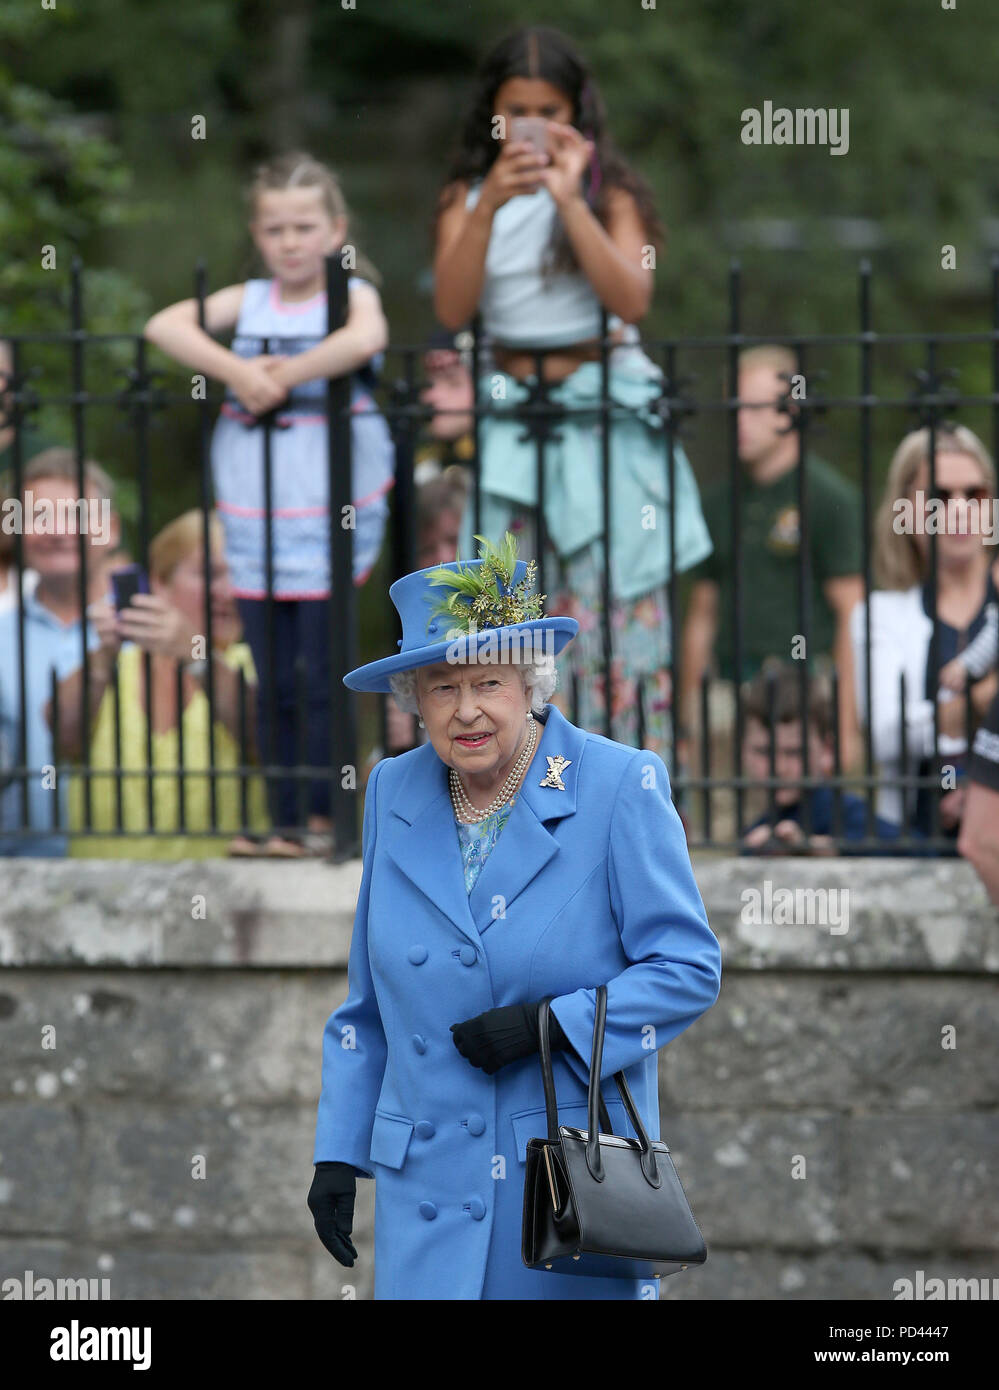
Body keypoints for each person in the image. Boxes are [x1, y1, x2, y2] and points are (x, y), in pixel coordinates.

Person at [306, 532, 721, 1301]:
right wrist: (338, 1151)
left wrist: (550, 1024)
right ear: (413, 701)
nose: (466, 711)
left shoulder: (616, 785)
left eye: (487, 682)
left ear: (530, 682)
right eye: (439, 687)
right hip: (424, 1191)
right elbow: (368, 1003)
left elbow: (688, 971)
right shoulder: (394, 791)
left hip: (558, 1195)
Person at [432, 25, 712, 759]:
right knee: (505, 620)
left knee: (609, 614)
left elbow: (630, 297)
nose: (532, 126)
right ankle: (519, 780)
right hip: (515, 427)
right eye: (515, 111)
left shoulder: (608, 193)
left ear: (578, 113)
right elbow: (452, 308)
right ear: (491, 116)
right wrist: (489, 202)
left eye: (549, 110)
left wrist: (568, 200)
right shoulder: (465, 196)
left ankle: (618, 777)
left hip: (597, 422)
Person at [143, 151, 395, 856]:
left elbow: (365, 339)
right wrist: (237, 373)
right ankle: (285, 816)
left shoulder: (350, 296)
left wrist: (282, 375)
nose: (290, 242)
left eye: (304, 226)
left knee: (319, 673)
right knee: (272, 672)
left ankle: (325, 815)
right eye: (276, 228)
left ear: (334, 229)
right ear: (257, 234)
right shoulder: (246, 300)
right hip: (258, 509)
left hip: (325, 505)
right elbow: (164, 326)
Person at [681, 345, 864, 771]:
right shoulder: (716, 502)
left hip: (806, 694)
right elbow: (702, 616)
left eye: (754, 408)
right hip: (728, 696)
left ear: (791, 410)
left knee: (805, 826)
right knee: (720, 827)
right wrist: (688, 724)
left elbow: (851, 615)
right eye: (735, 408)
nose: (740, 421)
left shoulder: (829, 497)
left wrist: (845, 726)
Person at [57, 510, 270, 859]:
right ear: (158, 582)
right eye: (209, 574)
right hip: (98, 897)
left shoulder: (257, 668)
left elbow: (266, 737)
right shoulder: (110, 666)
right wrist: (100, 659)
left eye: (242, 575)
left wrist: (198, 659)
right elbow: (63, 739)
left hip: (226, 898)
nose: (228, 591)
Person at [850, 424, 998, 840]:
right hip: (918, 840)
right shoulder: (880, 614)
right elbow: (884, 736)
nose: (959, 508)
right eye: (939, 497)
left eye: (975, 494)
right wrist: (984, 699)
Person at [0, 449, 119, 856]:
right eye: (39, 517)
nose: (58, 531)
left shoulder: (154, 631)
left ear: (112, 529)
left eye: (77, 516)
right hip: (16, 873)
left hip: (137, 869)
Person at [739, 661, 914, 856]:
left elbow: (923, 853)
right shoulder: (757, 830)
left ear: (827, 749)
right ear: (742, 750)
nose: (779, 768)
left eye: (795, 752)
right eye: (764, 752)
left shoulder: (848, 816)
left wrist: (820, 849)